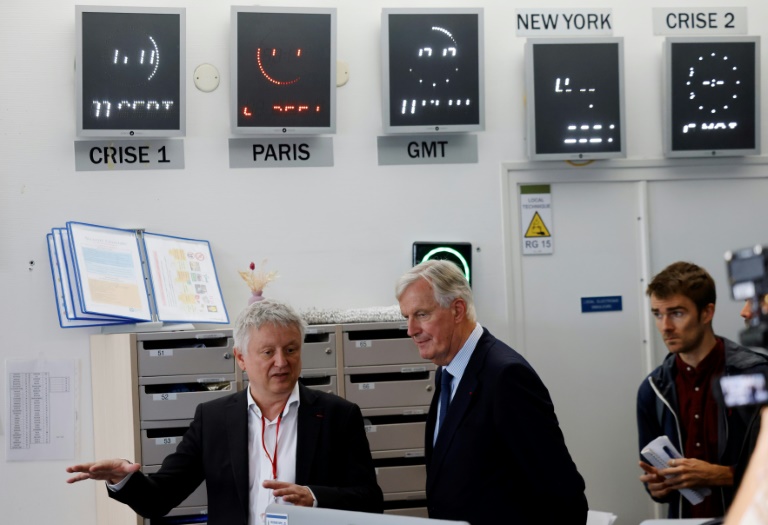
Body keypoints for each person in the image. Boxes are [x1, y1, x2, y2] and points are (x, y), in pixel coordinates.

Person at [66, 299, 383, 524]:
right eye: (267, 352)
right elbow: (160, 499)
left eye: (291, 350)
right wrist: (123, 480)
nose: (282, 362)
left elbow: (370, 500)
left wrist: (314, 497)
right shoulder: (214, 419)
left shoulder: (338, 416)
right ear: (241, 358)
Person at [395, 260, 588, 525]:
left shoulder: (506, 377)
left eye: (422, 315)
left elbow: (563, 491)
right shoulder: (447, 372)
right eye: (407, 317)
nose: (411, 330)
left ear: (458, 310)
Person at [637, 261, 768, 519]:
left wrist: (723, 475)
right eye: (657, 314)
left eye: (676, 313)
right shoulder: (652, 389)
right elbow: (654, 484)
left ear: (707, 312)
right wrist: (657, 487)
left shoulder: (755, 375)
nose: (665, 327)